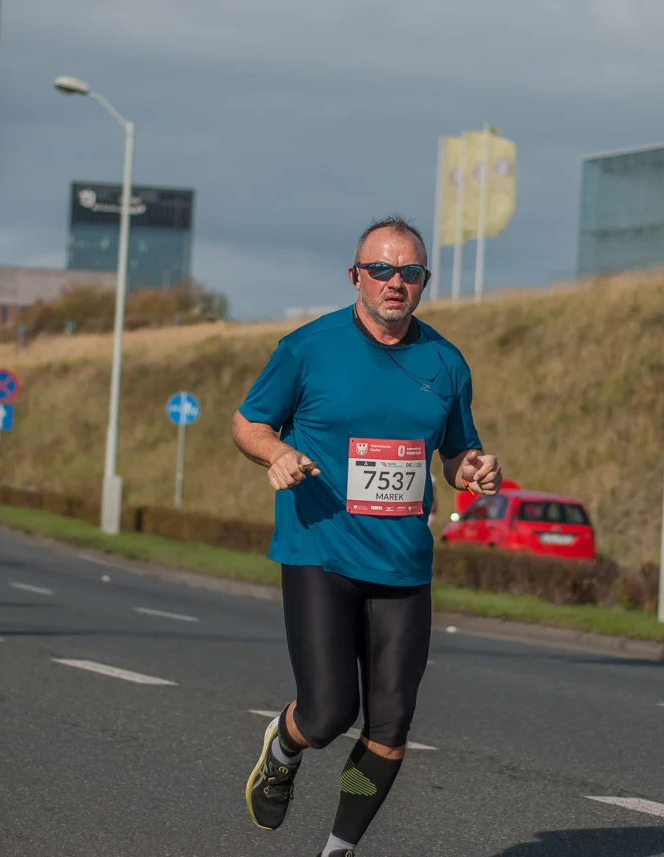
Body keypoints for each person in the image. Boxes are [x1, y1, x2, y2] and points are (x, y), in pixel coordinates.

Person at [232, 215, 501, 857]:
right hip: (320, 549)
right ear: (355, 276)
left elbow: (456, 453)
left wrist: (472, 469)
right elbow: (248, 423)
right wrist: (277, 453)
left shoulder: (446, 362)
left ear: (425, 281)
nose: (394, 282)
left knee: (390, 726)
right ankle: (284, 746)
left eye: (409, 272)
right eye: (380, 269)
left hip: (403, 562)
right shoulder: (308, 348)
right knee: (328, 714)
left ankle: (339, 849)